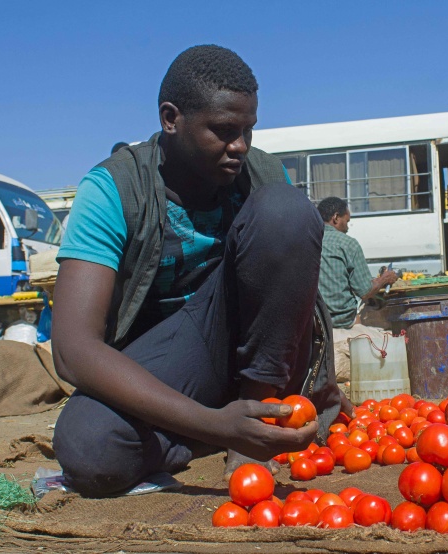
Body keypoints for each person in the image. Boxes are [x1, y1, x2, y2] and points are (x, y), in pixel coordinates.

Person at [51, 45, 340, 497]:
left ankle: (253, 426)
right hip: (165, 362)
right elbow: (72, 349)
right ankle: (209, 428)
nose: (240, 146)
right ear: (171, 118)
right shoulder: (113, 189)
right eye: (224, 131)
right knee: (90, 451)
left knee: (286, 210)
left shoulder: (264, 175)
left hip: (257, 360)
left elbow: (289, 302)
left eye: (248, 130)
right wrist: (213, 425)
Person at [316, 197, 398, 381]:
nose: (347, 227)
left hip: (315, 321)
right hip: (339, 321)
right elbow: (364, 291)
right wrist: (385, 279)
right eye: (347, 221)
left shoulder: (307, 240)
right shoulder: (347, 244)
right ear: (336, 218)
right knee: (390, 337)